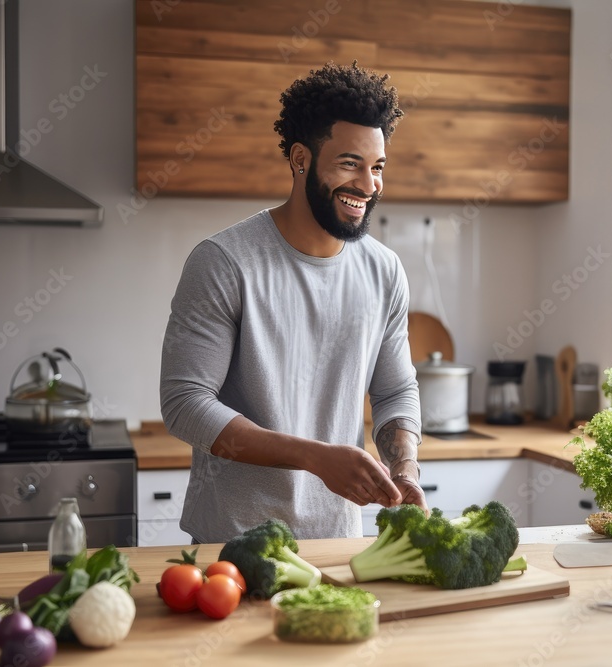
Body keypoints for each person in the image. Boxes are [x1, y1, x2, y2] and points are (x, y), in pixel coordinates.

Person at [159, 62, 425, 542]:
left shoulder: (384, 271)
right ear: (301, 158)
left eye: (377, 167)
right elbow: (185, 405)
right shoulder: (224, 262)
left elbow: (394, 392)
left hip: (338, 542)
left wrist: (404, 464)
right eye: (350, 163)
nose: (369, 185)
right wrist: (315, 457)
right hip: (233, 545)